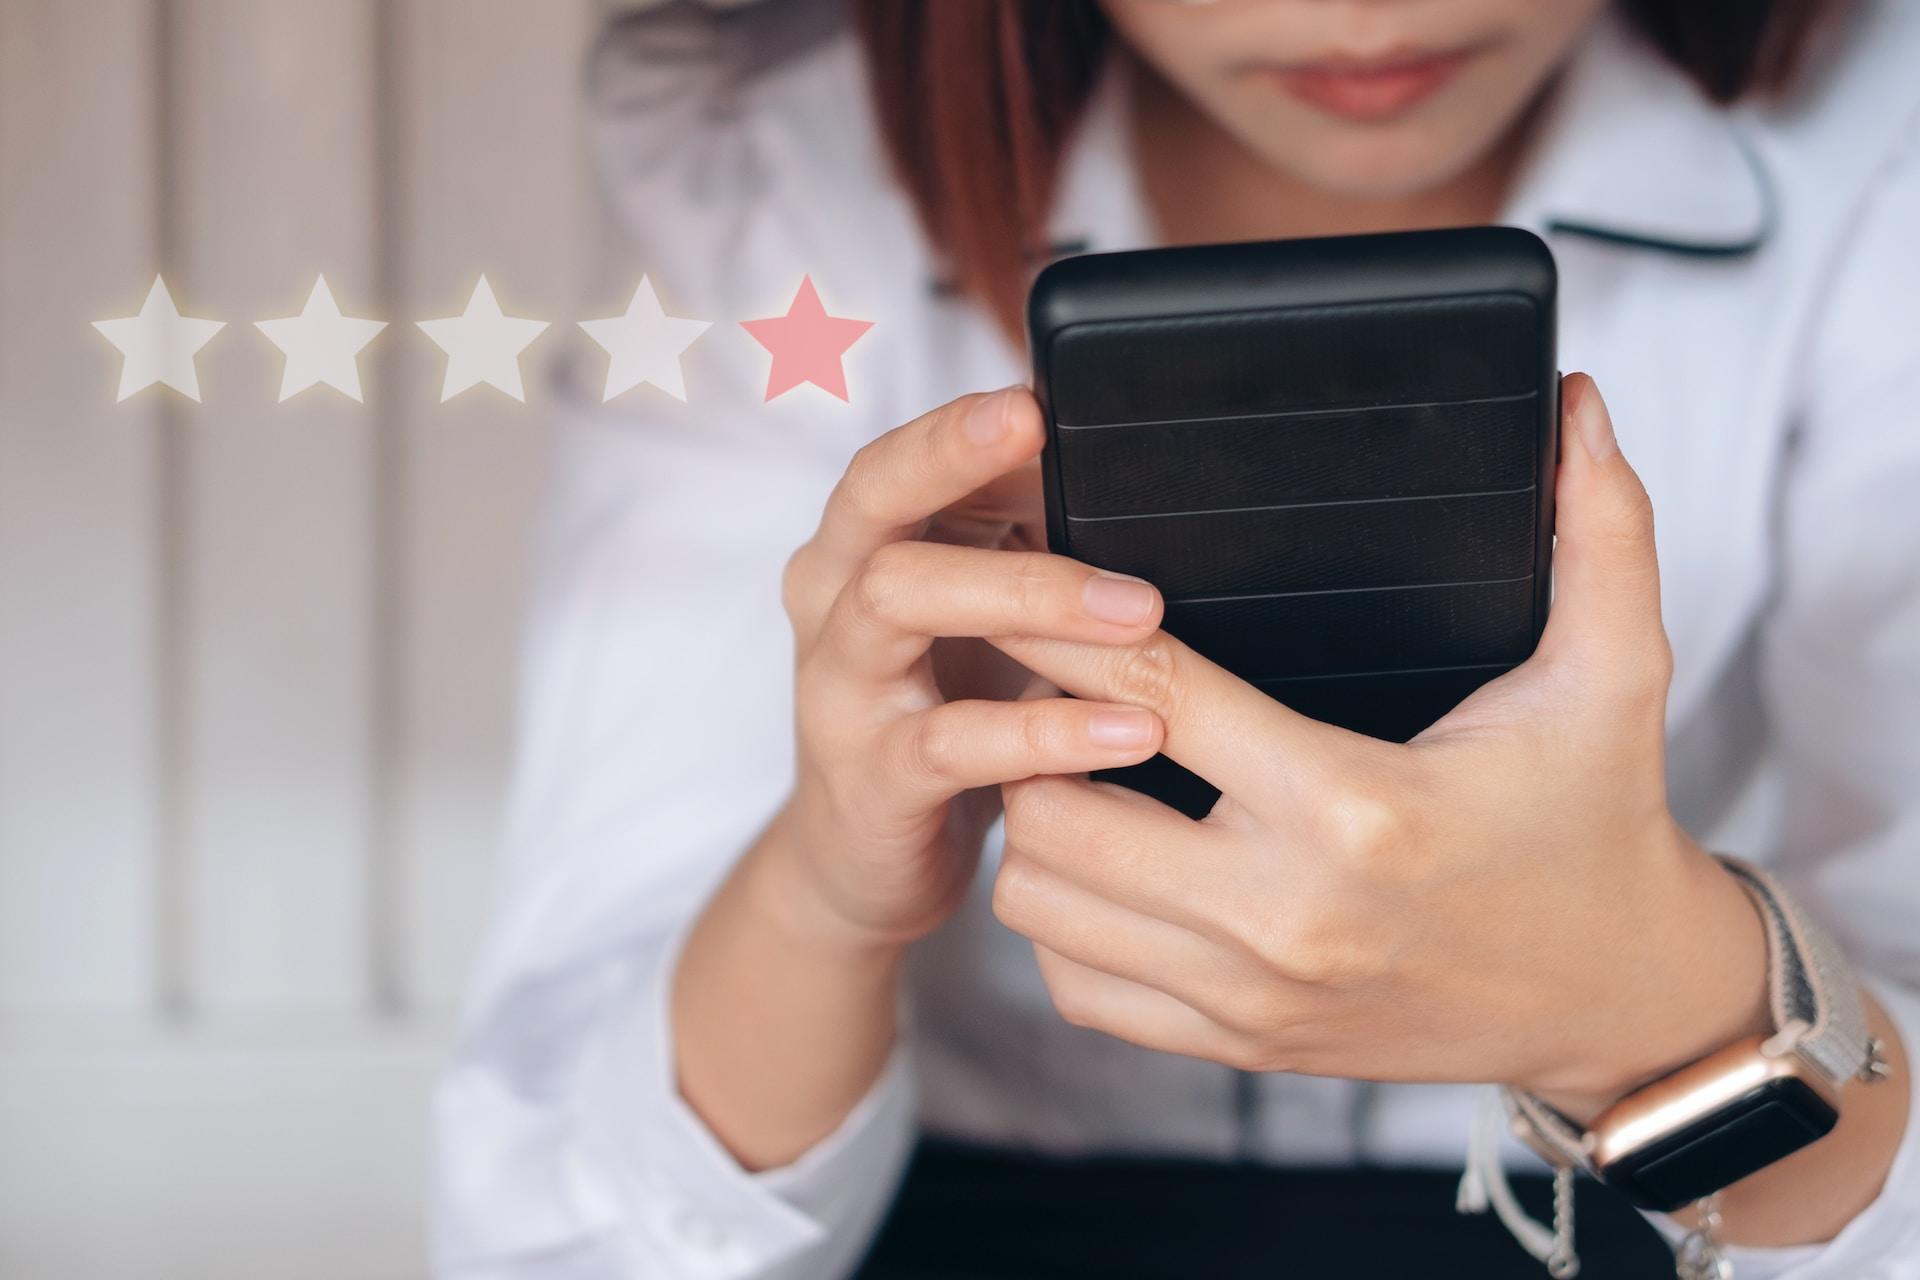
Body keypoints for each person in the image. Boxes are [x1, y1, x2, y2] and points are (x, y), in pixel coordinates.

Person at [432, 1, 1920, 1276]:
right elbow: (560, 1230)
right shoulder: (767, 157)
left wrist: (1654, 1002)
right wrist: (832, 889)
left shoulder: (1879, 134)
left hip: (1661, 1207)